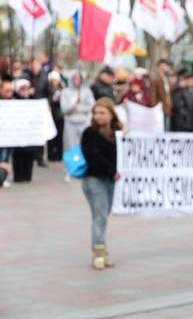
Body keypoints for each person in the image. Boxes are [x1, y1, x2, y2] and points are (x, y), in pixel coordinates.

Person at [80, 97, 123, 270]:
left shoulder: (118, 133)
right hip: (94, 180)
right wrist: (112, 171)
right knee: (100, 217)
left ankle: (102, 251)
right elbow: (93, 157)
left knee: (104, 215)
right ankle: (98, 253)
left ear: (111, 114)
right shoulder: (89, 133)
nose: (98, 116)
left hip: (111, 180)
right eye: (96, 113)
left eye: (102, 113)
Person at [61, 72, 95, 182]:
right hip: (70, 123)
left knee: (85, 146)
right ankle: (69, 170)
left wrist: (78, 109)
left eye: (79, 78)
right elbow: (64, 108)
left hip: (83, 122)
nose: (77, 80)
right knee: (70, 147)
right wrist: (73, 105)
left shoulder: (87, 91)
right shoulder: (65, 92)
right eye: (75, 78)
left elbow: (91, 106)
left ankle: (83, 168)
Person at [11, 79, 36, 182]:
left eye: (27, 89)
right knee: (18, 154)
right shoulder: (13, 100)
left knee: (29, 153)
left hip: (29, 132)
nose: (25, 91)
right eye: (23, 89)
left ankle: (27, 175)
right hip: (17, 133)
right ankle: (18, 176)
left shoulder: (33, 100)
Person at [150, 59, 174, 130]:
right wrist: (154, 107)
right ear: (160, 66)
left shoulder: (166, 78)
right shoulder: (156, 79)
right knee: (161, 130)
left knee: (167, 129)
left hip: (167, 109)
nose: (166, 67)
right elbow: (152, 95)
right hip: (159, 109)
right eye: (165, 65)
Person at [47, 71, 65, 162]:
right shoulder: (48, 89)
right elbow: (47, 101)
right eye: (53, 80)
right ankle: (51, 155)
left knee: (59, 137)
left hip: (60, 116)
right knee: (51, 136)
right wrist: (52, 99)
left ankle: (59, 155)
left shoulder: (63, 89)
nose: (55, 82)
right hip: (51, 115)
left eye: (56, 80)